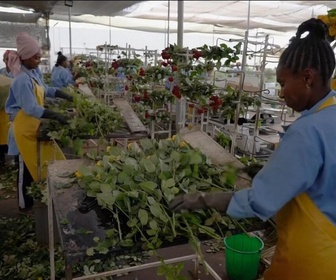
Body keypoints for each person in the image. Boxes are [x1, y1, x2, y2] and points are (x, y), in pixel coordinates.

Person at [169, 18, 336, 280]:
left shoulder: (307, 131)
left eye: (282, 83)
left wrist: (201, 199)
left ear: (307, 77)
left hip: (308, 262)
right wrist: (272, 172)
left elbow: (260, 201)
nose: (281, 93)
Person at [6, 33, 73, 213]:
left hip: (33, 125)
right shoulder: (21, 80)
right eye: (36, 57)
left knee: (37, 163)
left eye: (39, 56)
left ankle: (38, 197)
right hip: (22, 128)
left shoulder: (33, 73)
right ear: (25, 58)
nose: (39, 60)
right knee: (24, 169)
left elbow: (44, 90)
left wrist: (61, 93)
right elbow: (31, 108)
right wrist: (56, 115)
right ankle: (24, 206)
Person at [0, 50, 14, 163]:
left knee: (11, 139)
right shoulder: (1, 72)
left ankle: (12, 160)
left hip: (11, 112)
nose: (8, 62)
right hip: (2, 111)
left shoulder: (19, 74)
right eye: (6, 59)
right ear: (4, 61)